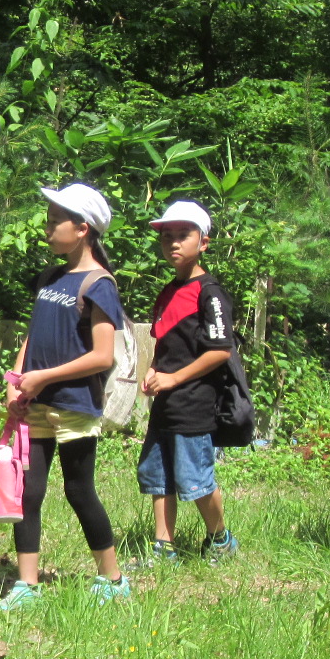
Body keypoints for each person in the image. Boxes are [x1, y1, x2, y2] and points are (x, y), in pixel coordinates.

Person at [0, 183, 131, 609]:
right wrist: (18, 379)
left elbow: (102, 356)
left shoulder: (99, 284)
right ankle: (27, 585)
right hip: (35, 404)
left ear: (83, 229)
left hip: (74, 404)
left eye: (56, 221)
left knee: (79, 490)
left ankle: (113, 578)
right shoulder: (50, 277)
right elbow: (33, 335)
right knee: (27, 492)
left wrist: (43, 377)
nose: (48, 228)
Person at [132, 200, 239, 565]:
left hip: (194, 402)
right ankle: (163, 548)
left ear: (203, 242)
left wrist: (174, 378)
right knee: (158, 476)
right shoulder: (168, 291)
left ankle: (221, 539)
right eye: (167, 237)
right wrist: (153, 370)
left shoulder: (210, 292)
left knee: (195, 479)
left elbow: (220, 351)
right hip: (165, 403)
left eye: (183, 235)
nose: (174, 243)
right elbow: (165, 343)